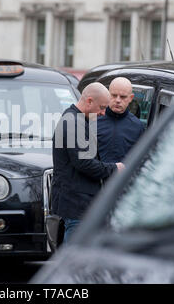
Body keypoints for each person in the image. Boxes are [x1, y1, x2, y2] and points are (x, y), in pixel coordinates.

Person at [51, 82, 124, 243]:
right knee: (73, 258)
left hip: (77, 201)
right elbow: (84, 163)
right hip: (76, 204)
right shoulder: (73, 123)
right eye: (102, 107)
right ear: (89, 101)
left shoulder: (75, 119)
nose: (104, 113)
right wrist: (114, 169)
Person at [97, 77, 145, 165]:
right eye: (114, 95)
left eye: (123, 97)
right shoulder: (93, 119)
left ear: (131, 98)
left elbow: (140, 160)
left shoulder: (137, 126)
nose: (118, 100)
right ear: (108, 94)